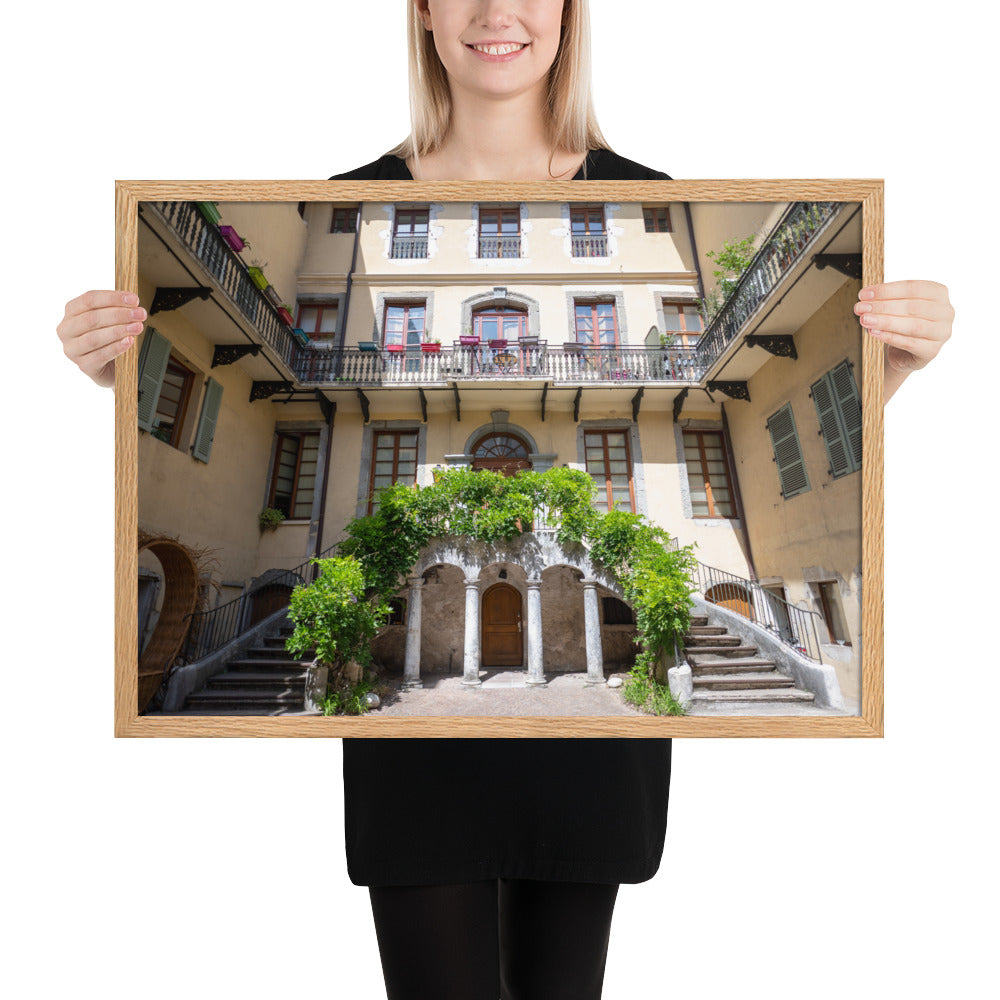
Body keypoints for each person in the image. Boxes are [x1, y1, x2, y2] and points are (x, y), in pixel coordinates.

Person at [56, 2, 954, 997]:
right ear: (425, 14)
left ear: (569, 15)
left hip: (592, 759)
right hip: (416, 765)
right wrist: (117, 375)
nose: (496, 11)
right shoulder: (339, 198)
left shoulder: (656, 195)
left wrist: (890, 366)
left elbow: (847, 400)